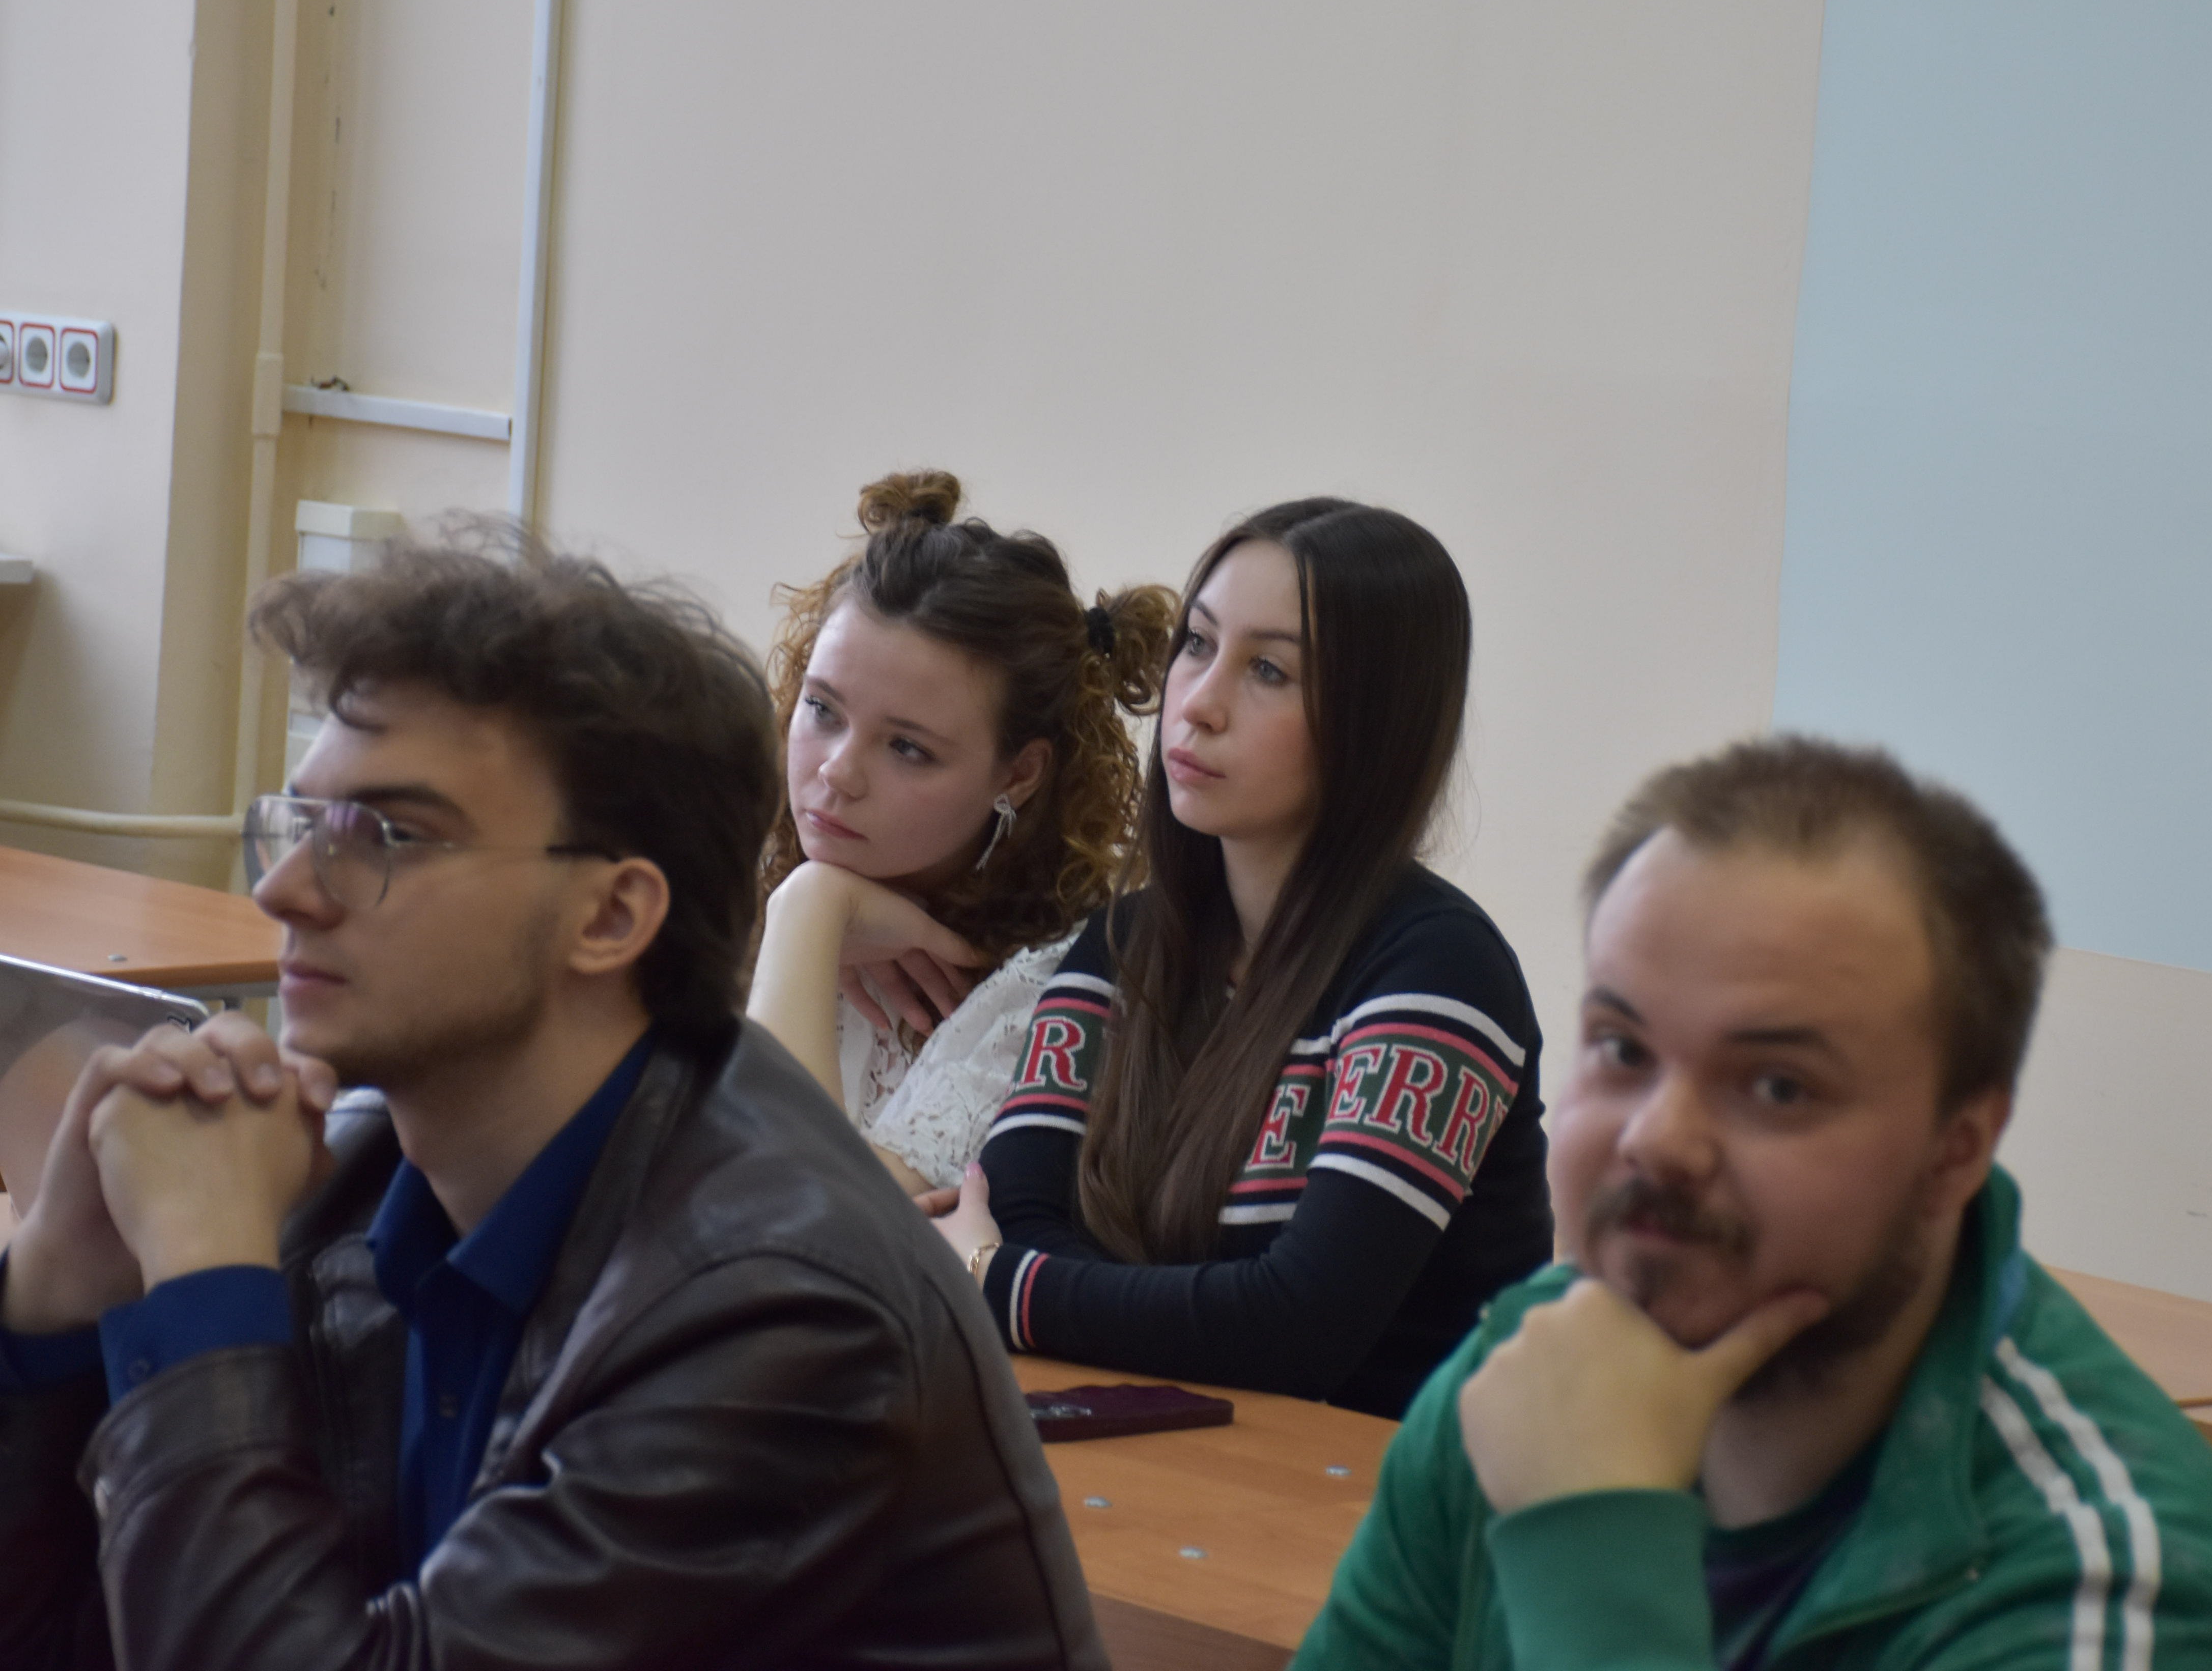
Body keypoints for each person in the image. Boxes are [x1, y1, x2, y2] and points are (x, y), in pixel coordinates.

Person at [0, 534, 1105, 1670]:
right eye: (305, 824)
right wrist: (49, 1301)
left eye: (390, 836)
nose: (285, 890)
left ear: (610, 917)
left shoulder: (786, 1305)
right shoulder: (362, 1173)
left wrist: (203, 1282)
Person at [1294, 735, 2212, 1671]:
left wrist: (1590, 1539)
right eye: (1623, 1047)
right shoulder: (1528, 1376)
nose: (1659, 1139)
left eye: (1778, 1085)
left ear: (1957, 1149)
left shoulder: (2117, 1599)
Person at [935, 499, 1551, 1419]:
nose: (1198, 704)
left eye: (1269, 670)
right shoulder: (1122, 945)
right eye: (1197, 644)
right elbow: (1017, 1210)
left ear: (1376, 722)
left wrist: (1001, 1283)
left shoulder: (1439, 971)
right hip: (1168, 1458)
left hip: (1383, 1491)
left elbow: (1298, 1329)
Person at [745, 471, 1171, 1191]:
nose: (837, 772)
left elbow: (792, 1215)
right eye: (822, 709)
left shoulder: (1055, 993)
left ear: (1019, 776)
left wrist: (811, 907)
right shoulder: (722, 877)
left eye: (907, 748)